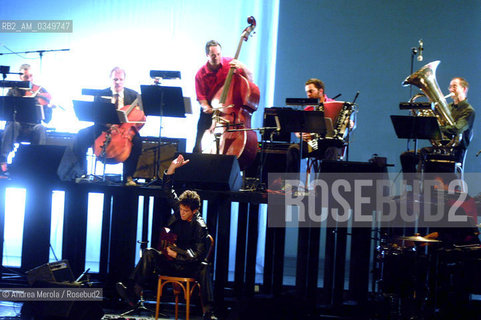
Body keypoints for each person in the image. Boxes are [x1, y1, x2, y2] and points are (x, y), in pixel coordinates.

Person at [116, 154, 218, 320]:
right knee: (149, 253)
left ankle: (208, 312)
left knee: (205, 267)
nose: (182, 213)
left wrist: (177, 255)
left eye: (186, 211)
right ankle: (132, 294)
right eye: (181, 210)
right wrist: (171, 168)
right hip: (170, 262)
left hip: (187, 266)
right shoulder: (179, 210)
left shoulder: (200, 226)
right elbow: (167, 190)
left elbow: (197, 256)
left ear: (194, 211)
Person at [72, 67, 145, 186]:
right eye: (115, 79)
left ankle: (128, 177)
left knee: (137, 142)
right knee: (81, 135)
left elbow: (141, 116)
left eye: (121, 79)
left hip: (124, 129)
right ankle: (82, 173)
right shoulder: (101, 94)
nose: (118, 82)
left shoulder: (133, 96)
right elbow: (95, 115)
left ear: (124, 80)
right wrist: (107, 125)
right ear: (110, 79)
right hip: (103, 127)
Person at [400, 77, 475, 175]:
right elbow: (437, 123)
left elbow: (457, 129)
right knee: (406, 156)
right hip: (440, 149)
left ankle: (422, 186)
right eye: (450, 86)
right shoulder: (448, 107)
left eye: (455, 86)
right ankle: (412, 186)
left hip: (455, 151)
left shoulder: (468, 110)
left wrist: (435, 128)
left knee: (424, 153)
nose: (451, 89)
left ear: (464, 89)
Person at [193, 40, 253, 153]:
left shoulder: (230, 63)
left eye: (219, 54)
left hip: (230, 112)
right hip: (211, 112)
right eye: (213, 55)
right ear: (207, 55)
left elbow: (250, 79)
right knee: (199, 147)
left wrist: (242, 67)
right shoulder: (200, 74)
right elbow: (202, 99)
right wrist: (207, 108)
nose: (217, 57)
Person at [0, 64, 52, 176]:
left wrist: (48, 108)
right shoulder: (13, 90)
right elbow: (6, 110)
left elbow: (47, 120)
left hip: (33, 126)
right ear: (20, 77)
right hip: (17, 124)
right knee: (13, 125)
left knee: (41, 128)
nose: (29, 78)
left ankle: (35, 162)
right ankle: (2, 161)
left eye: (30, 76)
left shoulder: (41, 90)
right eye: (25, 76)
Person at [285, 78, 344, 173]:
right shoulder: (309, 108)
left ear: (320, 91)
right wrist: (300, 134)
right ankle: (291, 185)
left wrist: (350, 123)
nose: (308, 94)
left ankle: (325, 186)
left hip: (331, 144)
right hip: (315, 144)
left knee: (331, 151)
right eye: (307, 92)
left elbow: (349, 121)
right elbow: (298, 128)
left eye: (311, 91)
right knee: (294, 149)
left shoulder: (335, 105)